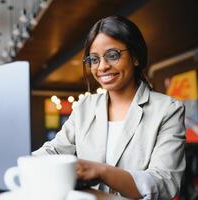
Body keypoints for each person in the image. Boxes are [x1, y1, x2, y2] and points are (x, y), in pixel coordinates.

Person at [32, 15, 186, 199]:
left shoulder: (168, 110)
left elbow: (163, 183)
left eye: (113, 55)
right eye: (94, 59)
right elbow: (53, 151)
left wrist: (102, 171)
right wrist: (20, 161)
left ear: (135, 57)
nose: (102, 66)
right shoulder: (84, 107)